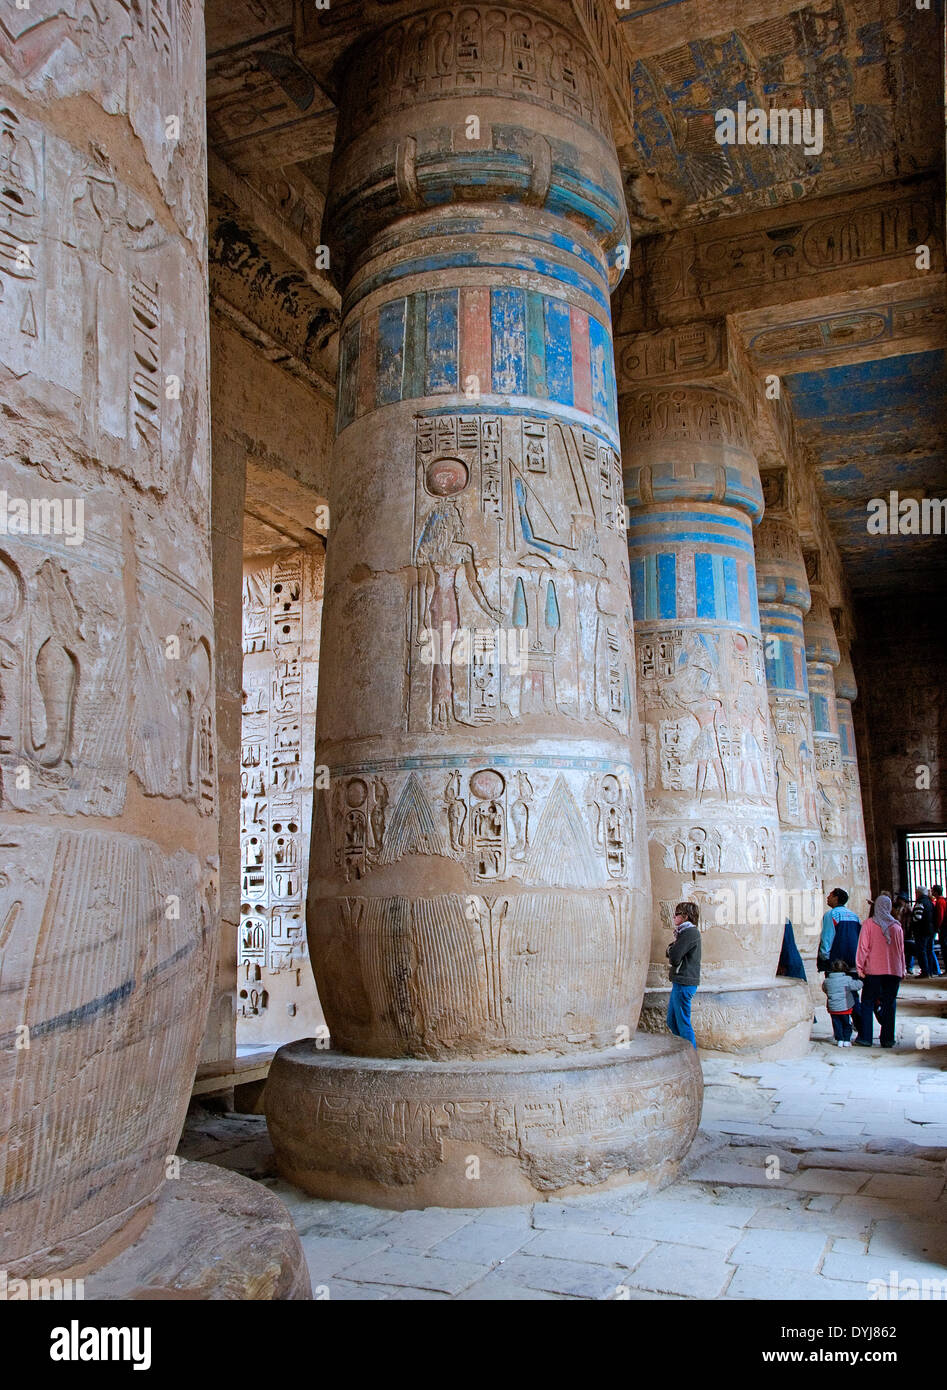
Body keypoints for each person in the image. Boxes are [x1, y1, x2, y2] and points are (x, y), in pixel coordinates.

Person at [855, 894, 906, 1048]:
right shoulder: (897, 927)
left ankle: (865, 1037)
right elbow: (901, 952)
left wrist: (859, 966)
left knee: (868, 1003)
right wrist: (902, 969)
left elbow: (863, 947)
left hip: (874, 971)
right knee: (889, 1004)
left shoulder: (869, 924)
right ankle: (887, 1038)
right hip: (894, 972)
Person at [666, 901, 701, 1049]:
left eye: (677, 914)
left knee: (683, 1024)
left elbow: (674, 957)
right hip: (680, 983)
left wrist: (671, 949)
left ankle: (691, 1058)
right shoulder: (683, 933)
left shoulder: (689, 933)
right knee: (672, 1021)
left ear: (685, 916)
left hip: (684, 983)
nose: (674, 917)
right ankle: (683, 1051)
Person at [818, 888, 861, 973]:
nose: (827, 897)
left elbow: (827, 937)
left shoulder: (831, 914)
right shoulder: (854, 916)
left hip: (837, 963)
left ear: (836, 898)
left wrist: (824, 957)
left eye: (830, 895)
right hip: (853, 959)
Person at [822, 958, 861, 1046]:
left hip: (833, 1008)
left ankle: (839, 1039)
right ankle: (847, 1040)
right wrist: (860, 980)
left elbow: (825, 989)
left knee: (837, 1024)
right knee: (847, 1024)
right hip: (845, 1007)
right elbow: (857, 986)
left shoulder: (827, 981)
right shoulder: (847, 979)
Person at [910, 887, 938, 978]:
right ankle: (930, 971)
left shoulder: (920, 902)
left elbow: (917, 917)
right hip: (930, 930)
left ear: (919, 893)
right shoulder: (930, 902)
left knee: (922, 951)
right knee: (929, 951)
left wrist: (913, 925)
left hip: (921, 931)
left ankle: (925, 972)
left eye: (916, 892)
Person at [931, 885, 946, 974]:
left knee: (944, 948)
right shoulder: (942, 901)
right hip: (943, 927)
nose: (932, 893)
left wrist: (937, 927)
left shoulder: (940, 902)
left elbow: (940, 916)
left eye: (933, 891)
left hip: (943, 928)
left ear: (936, 892)